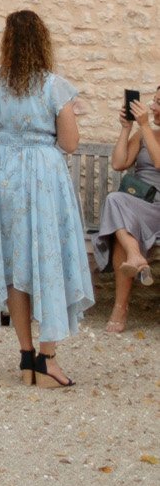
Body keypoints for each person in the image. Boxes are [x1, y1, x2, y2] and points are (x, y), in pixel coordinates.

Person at [0, 10, 94, 386]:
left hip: (2, 173)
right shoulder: (53, 86)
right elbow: (70, 144)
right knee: (47, 258)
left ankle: (26, 358)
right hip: (43, 175)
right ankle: (48, 360)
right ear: (42, 42)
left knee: (14, 264)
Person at [95, 84, 160, 333]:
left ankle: (120, 309)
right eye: (153, 101)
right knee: (117, 203)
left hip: (157, 209)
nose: (152, 106)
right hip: (137, 205)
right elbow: (119, 163)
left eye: (158, 103)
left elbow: (158, 161)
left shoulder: (148, 131)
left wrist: (144, 125)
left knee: (116, 203)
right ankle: (134, 255)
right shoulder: (143, 134)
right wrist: (126, 128)